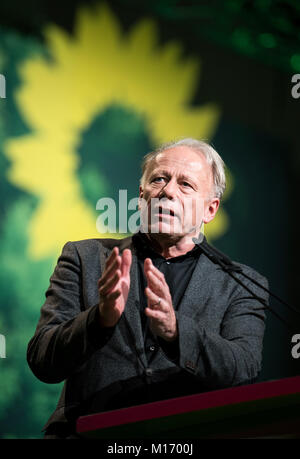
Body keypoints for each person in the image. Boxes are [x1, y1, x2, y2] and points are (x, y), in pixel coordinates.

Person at [27, 138, 268, 439]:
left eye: (186, 185)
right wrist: (98, 320)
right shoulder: (84, 258)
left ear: (210, 209)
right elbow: (42, 360)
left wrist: (176, 331)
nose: (167, 191)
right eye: (159, 179)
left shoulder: (241, 284)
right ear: (142, 197)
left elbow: (242, 372)